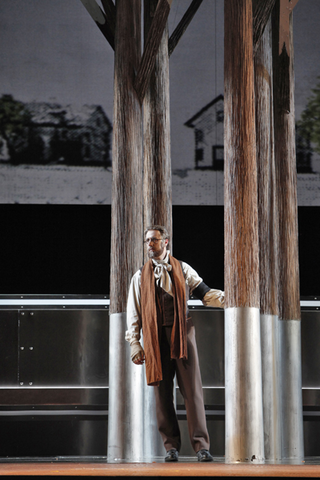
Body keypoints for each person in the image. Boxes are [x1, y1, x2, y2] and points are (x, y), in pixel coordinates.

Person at [125, 225, 225, 462]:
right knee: (162, 395)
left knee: (193, 392)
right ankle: (171, 447)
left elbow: (204, 293)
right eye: (147, 240)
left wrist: (229, 298)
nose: (150, 244)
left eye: (154, 240)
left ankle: (201, 446)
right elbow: (134, 312)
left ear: (166, 242)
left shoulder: (182, 268)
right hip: (155, 337)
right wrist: (134, 343)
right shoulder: (140, 276)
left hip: (182, 334)